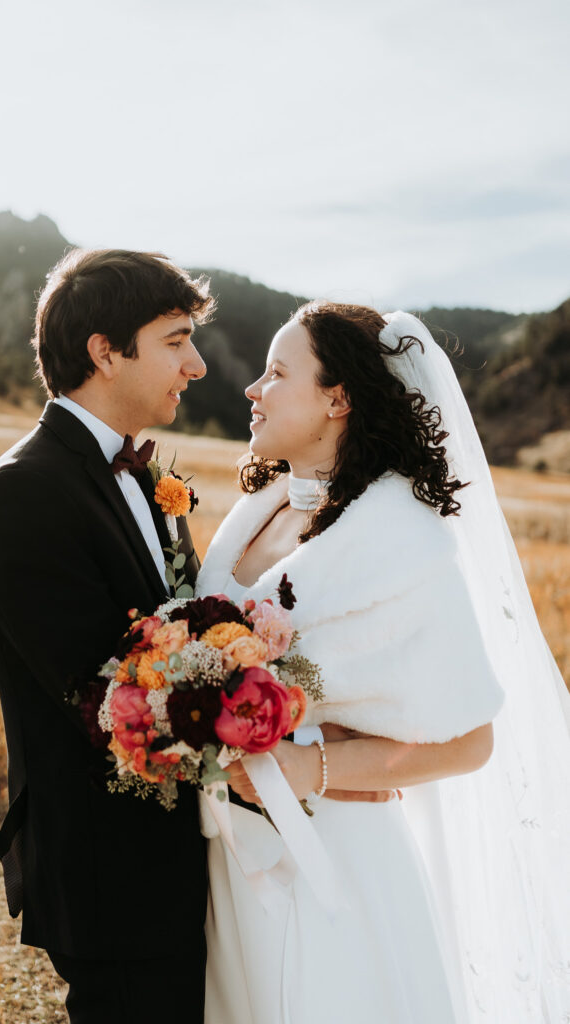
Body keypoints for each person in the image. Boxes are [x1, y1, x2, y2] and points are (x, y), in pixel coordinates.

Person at [196, 303, 570, 1023]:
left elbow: (469, 740)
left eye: (276, 374)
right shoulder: (259, 511)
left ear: (337, 400)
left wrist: (313, 768)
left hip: (335, 859)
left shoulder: (402, 547)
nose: (253, 389)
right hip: (231, 856)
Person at [0, 248, 214, 1024]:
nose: (197, 365)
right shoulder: (26, 490)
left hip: (172, 855)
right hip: (113, 869)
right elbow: (105, 698)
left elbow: (182, 627)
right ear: (104, 352)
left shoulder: (143, 475)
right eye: (175, 340)